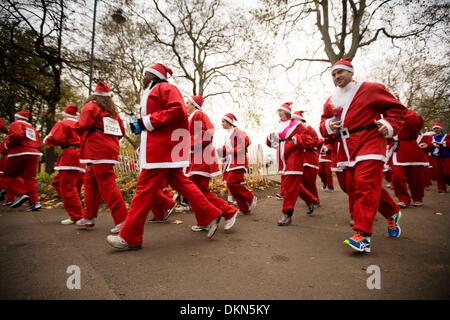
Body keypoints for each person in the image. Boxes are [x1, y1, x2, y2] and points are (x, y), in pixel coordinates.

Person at [107, 63, 229, 250]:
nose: (143, 77)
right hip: (162, 149)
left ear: (154, 75)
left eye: (146, 73)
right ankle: (210, 213)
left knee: (144, 190)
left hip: (161, 149)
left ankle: (130, 236)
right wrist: (141, 124)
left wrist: (145, 122)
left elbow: (177, 110)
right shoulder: (155, 90)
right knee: (181, 182)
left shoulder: (165, 87)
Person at [320, 57, 406, 253]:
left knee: (366, 184)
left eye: (340, 72)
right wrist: (328, 126)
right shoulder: (331, 100)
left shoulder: (370, 89)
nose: (336, 76)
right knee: (351, 186)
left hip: (370, 141)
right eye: (333, 74)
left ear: (351, 72)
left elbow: (397, 109)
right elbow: (323, 122)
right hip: (345, 147)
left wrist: (389, 124)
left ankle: (362, 235)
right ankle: (392, 213)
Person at [75, 81, 128, 234]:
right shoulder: (113, 113)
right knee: (90, 182)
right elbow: (121, 132)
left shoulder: (91, 106)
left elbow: (82, 125)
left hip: (96, 150)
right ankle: (89, 217)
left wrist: (71, 125)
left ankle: (122, 219)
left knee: (107, 185)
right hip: (108, 149)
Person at [185, 96, 239, 232]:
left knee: (199, 192)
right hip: (199, 159)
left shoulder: (198, 115)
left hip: (202, 160)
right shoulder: (194, 117)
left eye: (187, 103)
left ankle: (229, 212)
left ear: (194, 105)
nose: (185, 105)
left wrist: (186, 143)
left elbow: (207, 135)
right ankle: (204, 220)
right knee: (198, 192)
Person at [267, 103, 318, 226]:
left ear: (287, 112)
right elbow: (273, 143)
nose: (279, 113)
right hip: (282, 159)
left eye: (281, 111)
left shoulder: (297, 125)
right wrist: (269, 138)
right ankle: (311, 199)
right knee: (291, 185)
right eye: (278, 111)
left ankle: (287, 214)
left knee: (290, 188)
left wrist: (297, 139)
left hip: (294, 157)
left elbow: (310, 140)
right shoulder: (278, 126)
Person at [43, 104, 86, 224]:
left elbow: (56, 138)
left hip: (70, 155)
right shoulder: (80, 124)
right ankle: (74, 207)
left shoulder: (63, 124)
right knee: (65, 183)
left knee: (67, 187)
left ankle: (76, 215)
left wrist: (48, 141)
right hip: (81, 154)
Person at [2, 110, 42, 211]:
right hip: (34, 153)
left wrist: (8, 144)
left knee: (7, 176)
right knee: (30, 179)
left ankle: (21, 194)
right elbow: (39, 142)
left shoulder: (16, 124)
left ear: (16, 117)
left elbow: (17, 135)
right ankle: (34, 202)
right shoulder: (33, 128)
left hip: (19, 152)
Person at [219, 113, 257, 215]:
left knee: (231, 183)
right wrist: (220, 152)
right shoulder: (228, 135)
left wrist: (229, 151)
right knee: (232, 185)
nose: (221, 123)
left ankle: (250, 197)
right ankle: (244, 208)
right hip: (231, 163)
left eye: (223, 121)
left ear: (229, 122)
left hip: (239, 161)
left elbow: (242, 145)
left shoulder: (238, 131)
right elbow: (226, 149)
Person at [390, 109, 428, 207]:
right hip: (396, 150)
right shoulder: (391, 118)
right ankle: (403, 198)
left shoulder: (413, 117)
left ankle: (417, 197)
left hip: (412, 149)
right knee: (397, 176)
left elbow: (415, 124)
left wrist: (406, 112)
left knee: (416, 177)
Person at [292, 110, 321, 204]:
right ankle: (311, 199)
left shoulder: (309, 128)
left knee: (310, 182)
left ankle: (315, 199)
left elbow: (315, 141)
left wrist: (304, 143)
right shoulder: (294, 130)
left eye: (294, 120)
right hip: (300, 160)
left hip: (310, 160)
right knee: (302, 182)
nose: (292, 122)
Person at [429, 122, 450, 193]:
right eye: (434, 128)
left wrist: (442, 144)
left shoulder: (447, 136)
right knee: (439, 173)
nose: (436, 130)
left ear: (440, 128)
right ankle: (441, 188)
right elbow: (429, 146)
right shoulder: (431, 138)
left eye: (437, 128)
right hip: (435, 157)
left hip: (446, 156)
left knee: (447, 172)